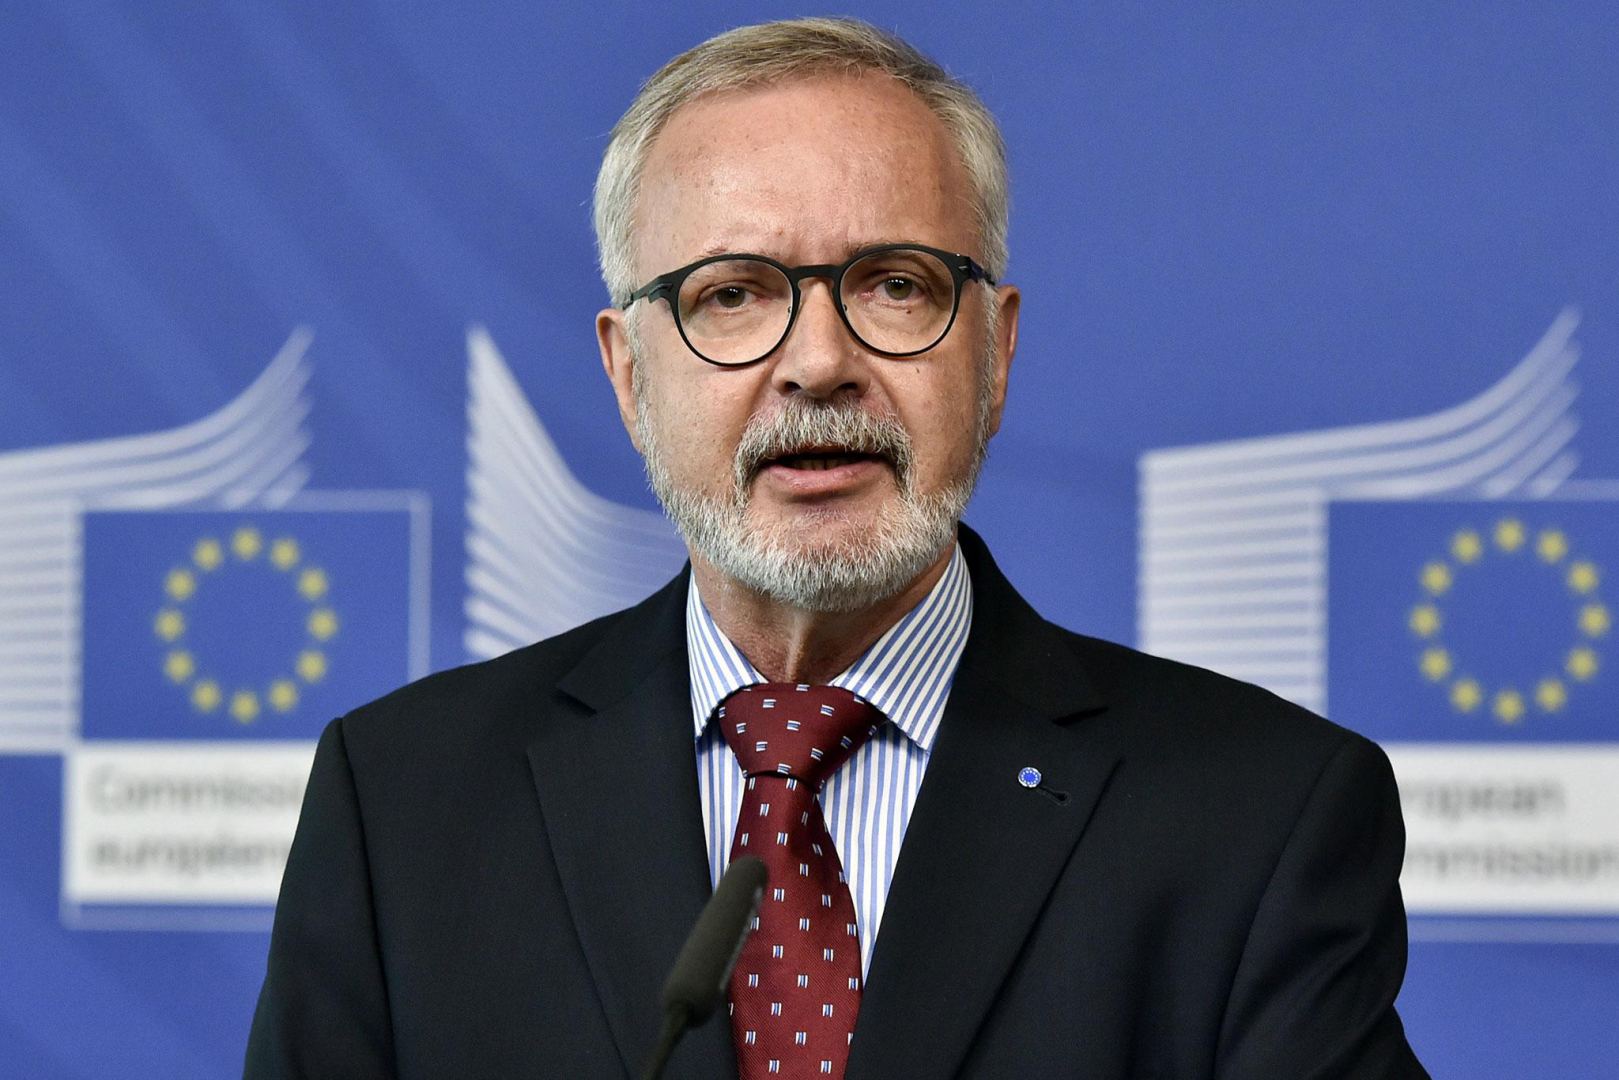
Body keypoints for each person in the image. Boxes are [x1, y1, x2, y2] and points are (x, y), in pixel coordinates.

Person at [246, 18, 1427, 1079]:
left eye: (894, 285)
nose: (817, 363)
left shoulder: (1256, 817)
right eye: (732, 295)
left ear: (995, 352)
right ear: (627, 373)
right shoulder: (402, 805)